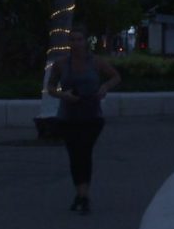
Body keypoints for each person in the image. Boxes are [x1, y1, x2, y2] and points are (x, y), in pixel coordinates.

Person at [46, 25, 121, 214]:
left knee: (84, 152)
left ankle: (84, 194)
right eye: (72, 40)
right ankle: (80, 194)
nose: (76, 43)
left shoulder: (96, 62)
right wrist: (64, 95)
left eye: (79, 39)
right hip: (68, 116)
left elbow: (115, 77)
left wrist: (104, 87)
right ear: (68, 42)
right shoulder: (61, 64)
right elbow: (51, 87)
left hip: (91, 115)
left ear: (85, 41)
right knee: (74, 155)